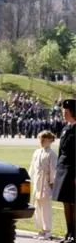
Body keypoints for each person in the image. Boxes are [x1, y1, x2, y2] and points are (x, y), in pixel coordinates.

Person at [52, 99, 76, 243]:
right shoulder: (66, 128)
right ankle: (69, 233)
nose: (63, 113)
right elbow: (61, 151)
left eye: (65, 111)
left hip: (73, 171)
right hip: (63, 170)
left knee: (74, 204)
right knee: (66, 203)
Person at [29, 130, 58, 240]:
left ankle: (48, 230)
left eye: (43, 139)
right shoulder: (37, 152)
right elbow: (32, 167)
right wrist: (29, 178)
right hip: (37, 182)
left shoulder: (51, 154)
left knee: (46, 207)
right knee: (37, 207)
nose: (41, 141)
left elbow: (53, 170)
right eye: (40, 139)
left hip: (45, 183)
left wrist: (52, 185)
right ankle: (42, 229)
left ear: (50, 140)